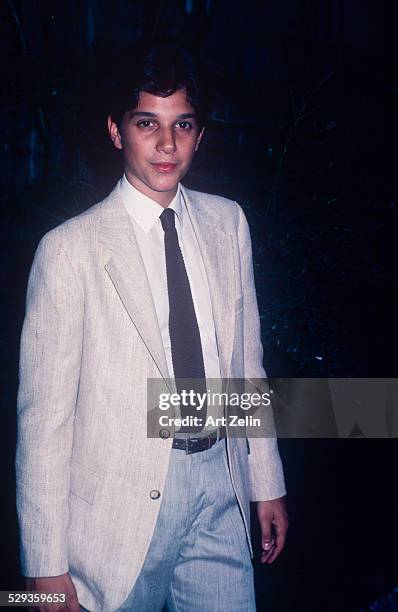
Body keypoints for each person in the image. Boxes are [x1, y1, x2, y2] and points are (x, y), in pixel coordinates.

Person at [16, 43, 288, 612]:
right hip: (114, 516)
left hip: (220, 487)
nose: (167, 144)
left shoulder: (227, 223)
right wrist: (43, 567)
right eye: (147, 124)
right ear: (117, 132)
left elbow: (245, 366)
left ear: (200, 135)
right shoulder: (70, 251)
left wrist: (265, 480)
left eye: (182, 125)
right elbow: (44, 420)